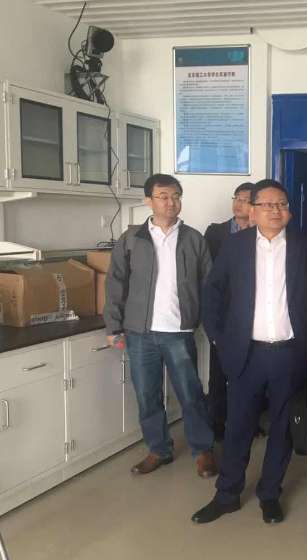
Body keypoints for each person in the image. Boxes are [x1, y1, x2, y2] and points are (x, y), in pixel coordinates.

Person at [192, 179, 307, 525]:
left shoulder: (306, 247)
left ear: (289, 211)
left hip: (291, 354)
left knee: (283, 429)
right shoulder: (236, 246)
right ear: (252, 211)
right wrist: (219, 338)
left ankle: (270, 494)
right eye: (267, 205)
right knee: (238, 427)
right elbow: (212, 292)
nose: (275, 210)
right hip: (246, 354)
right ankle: (227, 495)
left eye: (281, 204)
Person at [103, 173, 217, 478]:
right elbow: (115, 283)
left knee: (191, 394)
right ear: (148, 201)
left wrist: (213, 326)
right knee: (147, 395)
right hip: (140, 333)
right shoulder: (131, 239)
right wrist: (113, 327)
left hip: (179, 331)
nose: (171, 202)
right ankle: (158, 449)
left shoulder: (194, 239)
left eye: (176, 196)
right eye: (164, 196)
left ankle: (203, 450)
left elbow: (209, 285)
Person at [202, 182, 254, 440]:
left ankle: (249, 423)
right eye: (237, 198)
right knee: (219, 374)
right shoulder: (216, 232)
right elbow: (207, 276)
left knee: (250, 374)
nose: (238, 204)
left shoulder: (261, 233)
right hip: (223, 316)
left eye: (245, 199)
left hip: (252, 316)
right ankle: (217, 425)